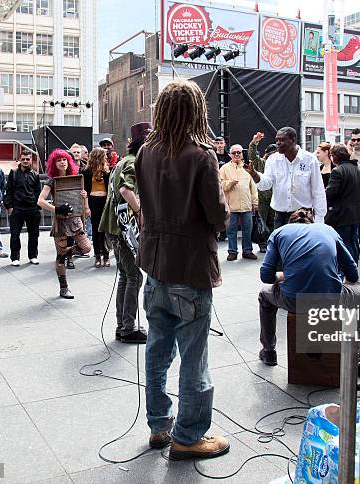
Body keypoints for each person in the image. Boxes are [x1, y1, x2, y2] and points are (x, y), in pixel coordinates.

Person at [135, 79, 230, 460]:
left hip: (154, 267)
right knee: (194, 357)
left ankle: (160, 426)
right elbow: (218, 217)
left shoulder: (145, 152)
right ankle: (189, 437)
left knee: (157, 349)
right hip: (189, 270)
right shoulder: (201, 156)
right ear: (196, 111)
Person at [258, 208, 359, 366]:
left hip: (294, 300)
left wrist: (282, 276)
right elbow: (353, 274)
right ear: (311, 222)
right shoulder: (328, 230)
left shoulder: (279, 232)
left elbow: (265, 276)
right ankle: (356, 358)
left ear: (291, 222)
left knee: (264, 295)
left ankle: (269, 351)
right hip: (331, 299)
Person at [99, 122, 151, 344]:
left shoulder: (123, 162)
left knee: (126, 276)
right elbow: (125, 190)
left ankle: (123, 325)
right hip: (123, 228)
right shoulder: (133, 163)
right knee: (135, 276)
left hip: (113, 227)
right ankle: (127, 328)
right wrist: (140, 211)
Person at [244, 127, 326, 228]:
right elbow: (265, 185)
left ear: (293, 140)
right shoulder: (273, 160)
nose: (278, 143)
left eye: (282, 140)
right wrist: (253, 173)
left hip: (303, 216)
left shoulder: (309, 160)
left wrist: (319, 219)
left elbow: (318, 190)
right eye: (277, 140)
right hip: (280, 216)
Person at [37, 149, 91, 299]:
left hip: (74, 219)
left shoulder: (75, 178)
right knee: (60, 258)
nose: (62, 162)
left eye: (65, 159)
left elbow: (81, 202)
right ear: (54, 163)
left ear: (69, 161)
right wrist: (56, 209)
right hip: (60, 221)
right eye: (59, 160)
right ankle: (64, 287)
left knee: (86, 247)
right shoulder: (52, 180)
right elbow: (40, 201)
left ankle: (64, 254)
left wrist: (85, 198)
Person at [325, 143, 360, 265]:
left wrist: (323, 194)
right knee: (353, 241)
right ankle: (353, 269)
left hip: (342, 214)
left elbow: (331, 193)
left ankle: (349, 273)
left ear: (334, 156)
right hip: (358, 213)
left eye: (331, 155)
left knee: (345, 243)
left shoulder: (337, 171)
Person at [220, 143, 258, 261]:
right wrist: (229, 183)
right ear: (230, 155)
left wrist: (255, 202)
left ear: (242, 154)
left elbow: (253, 187)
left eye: (239, 152)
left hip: (246, 205)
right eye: (234, 153)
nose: (237, 154)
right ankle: (232, 251)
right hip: (231, 205)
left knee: (248, 230)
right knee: (231, 230)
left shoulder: (248, 167)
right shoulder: (224, 168)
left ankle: (247, 251)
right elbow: (220, 185)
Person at [5, 150, 42, 266]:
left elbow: (38, 192)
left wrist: (38, 207)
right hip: (17, 208)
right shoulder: (14, 173)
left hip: (32, 208)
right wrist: (9, 206)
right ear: (19, 160)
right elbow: (8, 190)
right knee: (15, 234)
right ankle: (15, 258)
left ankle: (33, 256)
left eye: (27, 159)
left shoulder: (35, 175)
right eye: (23, 159)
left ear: (31, 160)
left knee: (34, 234)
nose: (25, 161)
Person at [248, 133, 277, 252]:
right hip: (262, 197)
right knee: (262, 222)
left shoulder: (279, 164)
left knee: (272, 222)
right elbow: (252, 156)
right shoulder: (261, 163)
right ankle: (263, 243)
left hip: (274, 198)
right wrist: (254, 143)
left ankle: (271, 242)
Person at [83, 147, 110, 267]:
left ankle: (106, 255)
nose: (106, 158)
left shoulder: (107, 171)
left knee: (105, 229)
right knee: (95, 229)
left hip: (105, 201)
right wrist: (87, 207)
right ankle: (97, 256)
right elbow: (85, 191)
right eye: (104, 156)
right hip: (93, 200)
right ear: (98, 157)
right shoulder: (87, 171)